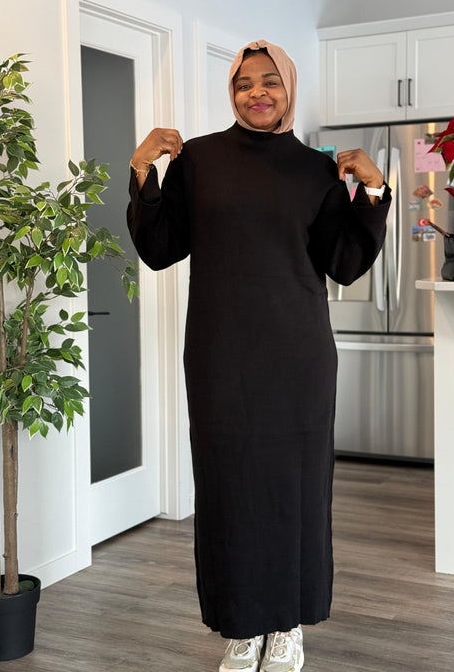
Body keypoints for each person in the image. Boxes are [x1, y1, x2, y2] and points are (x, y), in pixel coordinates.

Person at [127, 39, 391, 672]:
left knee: (295, 489)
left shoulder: (316, 170)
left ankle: (288, 625)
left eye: (270, 80)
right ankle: (241, 627)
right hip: (219, 353)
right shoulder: (198, 160)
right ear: (233, 92)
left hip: (297, 356)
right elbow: (160, 249)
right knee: (229, 487)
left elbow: (344, 262)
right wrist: (141, 171)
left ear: (289, 89)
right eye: (245, 83)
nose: (257, 92)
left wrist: (375, 190)